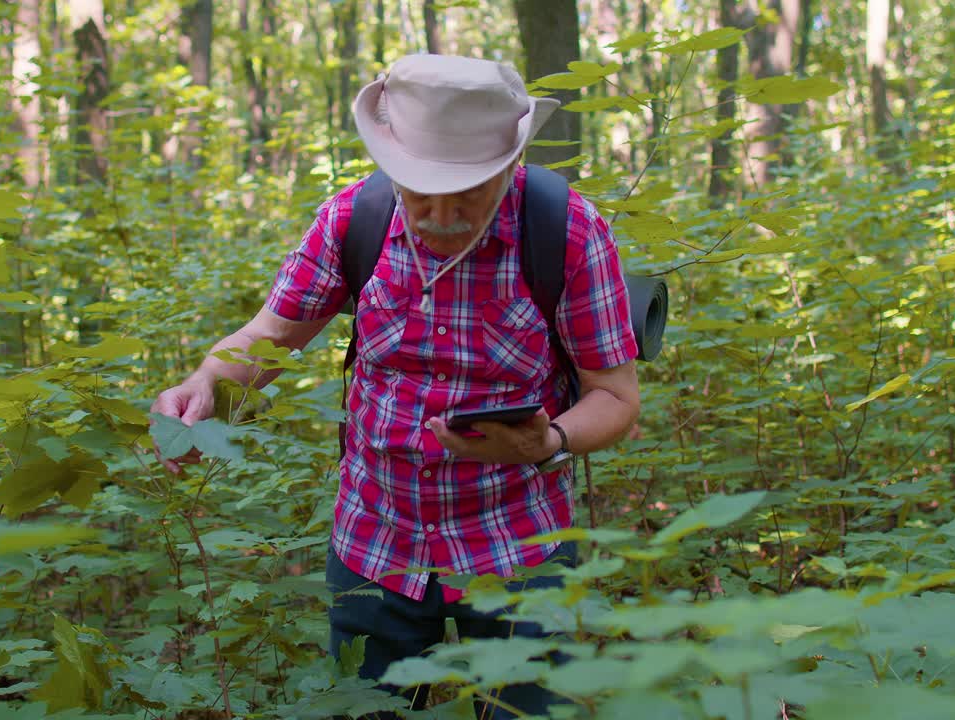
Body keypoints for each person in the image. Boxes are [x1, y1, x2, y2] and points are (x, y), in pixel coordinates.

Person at [151, 54, 641, 719]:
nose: (440, 215)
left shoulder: (567, 232)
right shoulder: (355, 220)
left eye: (466, 193)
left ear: (507, 167)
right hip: (375, 541)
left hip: (517, 544)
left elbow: (615, 399)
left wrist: (546, 440)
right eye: (419, 191)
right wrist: (208, 381)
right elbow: (271, 337)